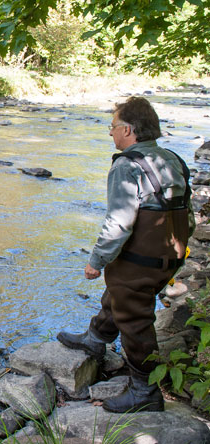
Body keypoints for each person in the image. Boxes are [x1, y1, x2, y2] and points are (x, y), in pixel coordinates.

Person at [57, 96, 195, 413]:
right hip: (169, 255)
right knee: (122, 290)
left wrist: (96, 261)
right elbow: (186, 212)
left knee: (135, 317)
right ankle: (96, 338)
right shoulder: (170, 158)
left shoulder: (127, 165)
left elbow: (119, 221)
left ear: (129, 129)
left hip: (142, 256)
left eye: (113, 126)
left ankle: (145, 392)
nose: (110, 133)